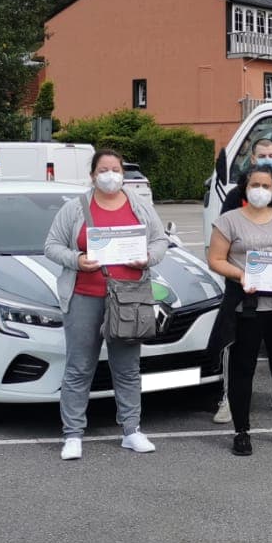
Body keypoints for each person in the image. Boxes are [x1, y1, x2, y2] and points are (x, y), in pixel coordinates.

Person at [44, 149, 169, 461]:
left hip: (128, 297)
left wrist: (148, 258)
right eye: (103, 169)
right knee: (79, 367)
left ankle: (131, 430)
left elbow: (159, 241)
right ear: (92, 175)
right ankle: (72, 434)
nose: (110, 175)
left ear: (123, 174)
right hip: (85, 296)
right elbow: (51, 246)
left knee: (127, 368)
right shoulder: (75, 209)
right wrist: (77, 259)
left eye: (115, 169)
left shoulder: (139, 206)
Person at [207, 164, 272, 455]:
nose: (260, 191)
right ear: (244, 187)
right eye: (255, 185)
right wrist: (242, 276)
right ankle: (241, 431)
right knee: (243, 370)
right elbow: (216, 259)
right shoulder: (228, 221)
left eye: (266, 186)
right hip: (246, 305)